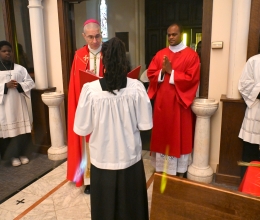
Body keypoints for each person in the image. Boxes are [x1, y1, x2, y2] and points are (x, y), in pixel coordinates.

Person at [73, 37, 153, 220]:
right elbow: (145, 124)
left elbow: (82, 128)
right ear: (124, 59)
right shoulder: (137, 88)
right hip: (130, 159)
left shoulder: (90, 90)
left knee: (105, 209)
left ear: (103, 59)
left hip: (103, 159)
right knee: (131, 208)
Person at [147, 22, 200, 177]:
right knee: (163, 135)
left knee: (178, 135)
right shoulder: (160, 54)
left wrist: (172, 72)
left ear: (181, 34)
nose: (170, 37)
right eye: (169, 34)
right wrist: (162, 72)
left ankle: (179, 168)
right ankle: (162, 167)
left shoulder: (191, 55)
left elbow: (192, 79)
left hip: (179, 104)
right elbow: (150, 73)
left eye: (174, 34)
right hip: (162, 105)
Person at [67, 19, 104, 194]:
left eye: (97, 36)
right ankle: (89, 179)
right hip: (87, 105)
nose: (95, 41)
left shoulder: (108, 52)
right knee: (86, 142)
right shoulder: (79, 55)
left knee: (103, 140)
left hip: (105, 105)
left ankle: (105, 175)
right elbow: (75, 83)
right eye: (90, 37)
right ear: (84, 36)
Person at [0, 40, 35, 166]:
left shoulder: (20, 69)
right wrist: (5, 86)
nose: (7, 53)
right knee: (9, 132)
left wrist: (19, 85)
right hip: (4, 107)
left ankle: (22, 154)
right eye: (4, 51)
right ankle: (13, 157)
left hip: (18, 105)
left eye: (9, 51)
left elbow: (31, 82)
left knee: (21, 132)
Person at [238, 54, 260, 179]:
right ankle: (247, 186)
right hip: (255, 111)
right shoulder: (254, 60)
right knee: (251, 154)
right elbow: (243, 84)